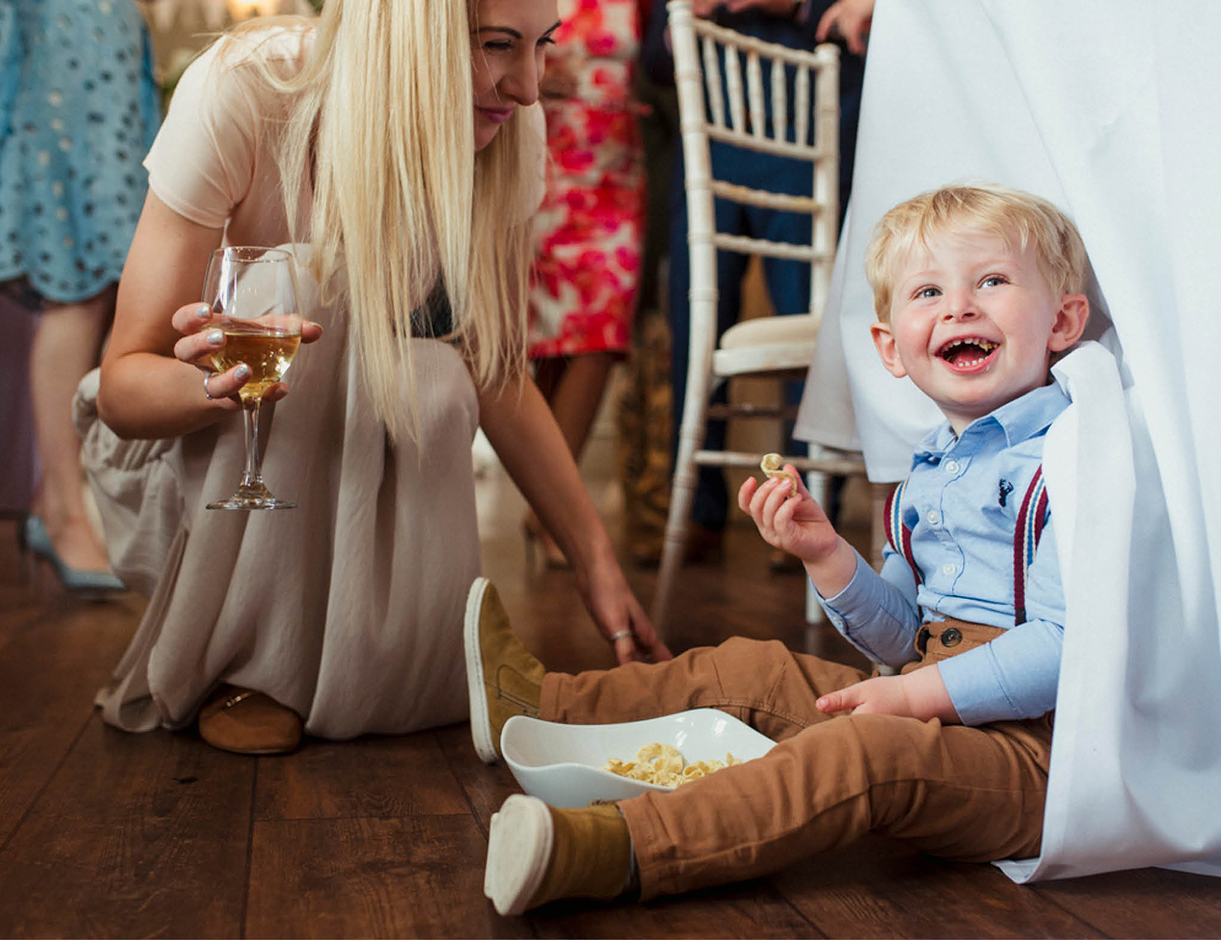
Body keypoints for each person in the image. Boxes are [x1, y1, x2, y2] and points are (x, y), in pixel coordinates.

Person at [466, 182, 1092, 914]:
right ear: (890, 348)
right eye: (928, 291)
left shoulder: (1069, 456)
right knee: (753, 670)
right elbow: (902, 636)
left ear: (1064, 320)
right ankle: (540, 702)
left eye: (992, 281)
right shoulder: (925, 472)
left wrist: (908, 696)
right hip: (932, 713)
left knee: (856, 753)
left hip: (1030, 761)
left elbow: (1060, 649)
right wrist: (826, 555)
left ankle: (615, 848)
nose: (960, 306)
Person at [81, 0, 670, 757]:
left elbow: (496, 371)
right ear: (410, 35)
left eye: (542, 48)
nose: (528, 88)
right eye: (499, 46)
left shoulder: (508, 134)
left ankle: (389, 664)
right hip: (191, 467)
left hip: (345, 457)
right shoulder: (245, 91)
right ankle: (251, 663)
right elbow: (123, 387)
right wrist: (215, 386)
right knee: (290, 297)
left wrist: (596, 561)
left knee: (437, 374)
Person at [0, 0, 159, 594]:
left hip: (110, 40)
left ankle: (48, 500)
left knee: (113, 288)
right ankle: (65, 514)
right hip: (66, 42)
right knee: (77, 288)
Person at [639, 0, 864, 566]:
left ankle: (805, 506)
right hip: (707, 150)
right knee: (695, 327)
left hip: (809, 138)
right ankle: (699, 512)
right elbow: (653, 59)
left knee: (810, 329)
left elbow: (854, 30)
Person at [523, 0, 647, 568]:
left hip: (617, 181)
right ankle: (547, 505)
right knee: (547, 350)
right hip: (537, 175)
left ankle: (556, 513)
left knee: (599, 342)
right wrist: (535, 68)